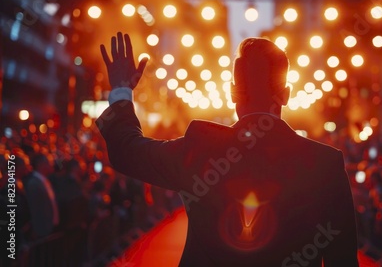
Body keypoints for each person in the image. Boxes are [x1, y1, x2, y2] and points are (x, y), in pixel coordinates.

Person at [96, 32, 358, 266]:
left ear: (232, 92)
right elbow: (342, 258)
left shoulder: (201, 147)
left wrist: (121, 90)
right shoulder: (325, 163)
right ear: (286, 94)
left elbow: (127, 150)